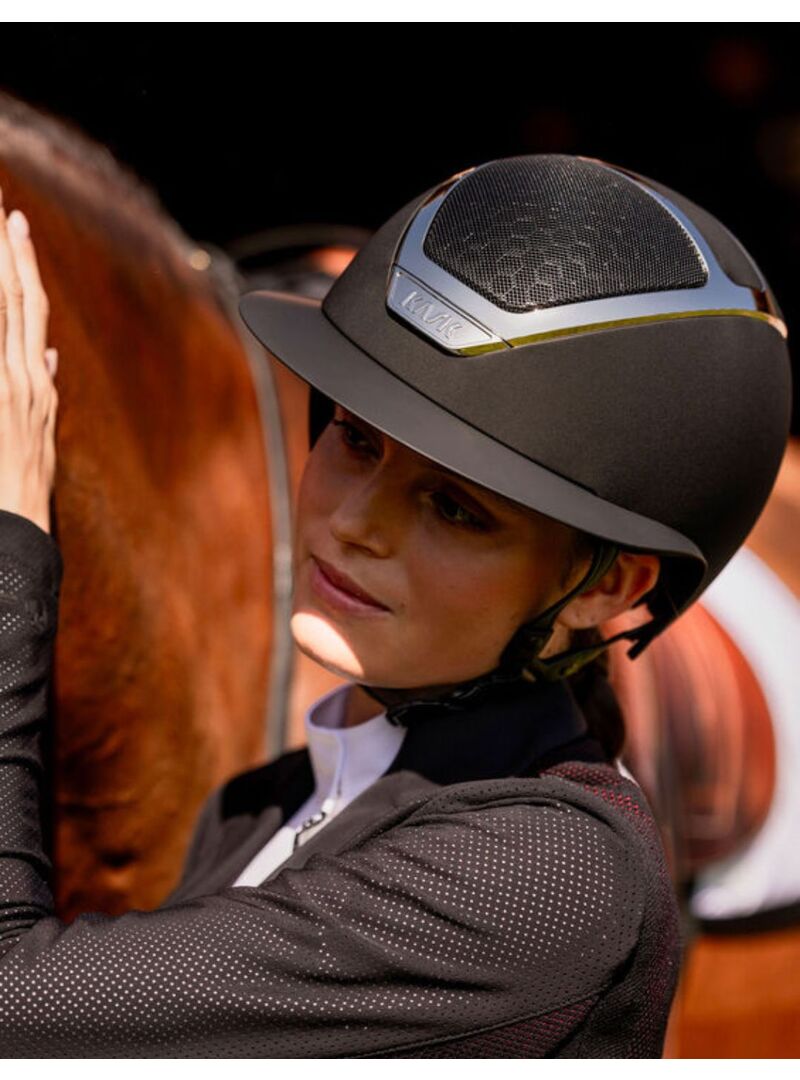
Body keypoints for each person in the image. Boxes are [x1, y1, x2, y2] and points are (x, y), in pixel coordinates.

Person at [0, 154, 791, 1058]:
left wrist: (13, 549)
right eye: (356, 437)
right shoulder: (263, 805)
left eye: (455, 508)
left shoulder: (547, 875)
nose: (353, 522)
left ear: (608, 587)